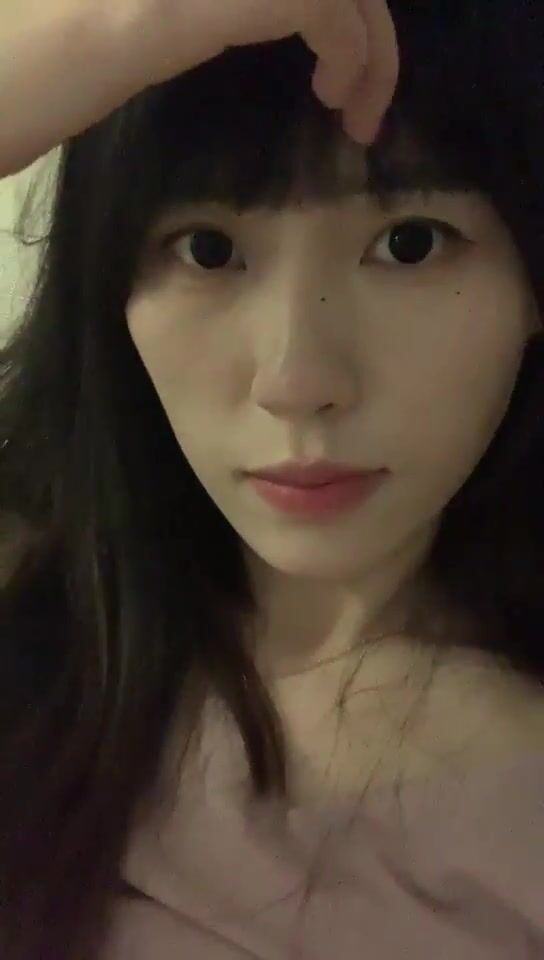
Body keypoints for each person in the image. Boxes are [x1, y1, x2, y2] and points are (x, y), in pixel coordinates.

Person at [1, 1, 544, 958]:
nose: (297, 381)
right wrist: (103, 33)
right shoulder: (34, 593)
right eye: (208, 249)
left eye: (410, 243)